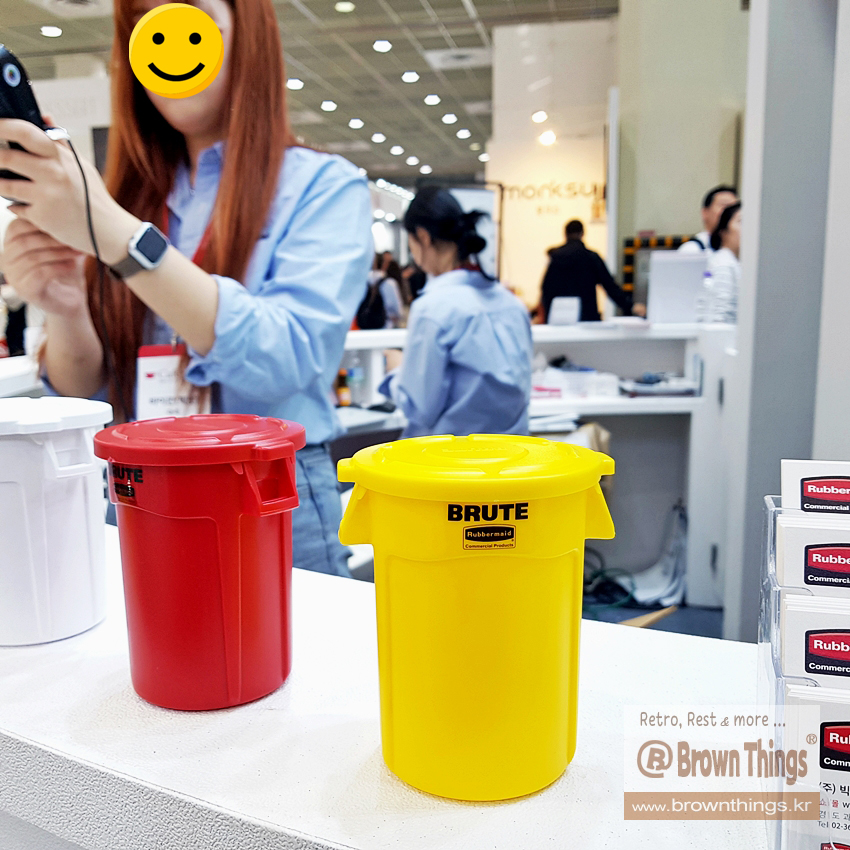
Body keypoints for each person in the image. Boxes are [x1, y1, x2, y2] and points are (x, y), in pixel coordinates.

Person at [0, 0, 373, 577]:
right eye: (146, 28)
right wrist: (68, 308)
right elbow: (88, 390)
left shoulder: (323, 186)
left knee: (283, 638)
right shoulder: (125, 197)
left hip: (267, 494)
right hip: (138, 493)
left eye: (188, 20)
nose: (168, 47)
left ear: (246, 30)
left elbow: (291, 356)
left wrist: (121, 238)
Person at [380, 187, 532, 437]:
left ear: (422, 237)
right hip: (510, 454)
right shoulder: (512, 304)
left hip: (450, 456)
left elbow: (419, 409)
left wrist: (397, 371)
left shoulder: (433, 309)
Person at [540, 219, 641, 322]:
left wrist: (548, 316)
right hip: (587, 316)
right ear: (582, 233)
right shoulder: (591, 257)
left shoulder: (556, 258)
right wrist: (629, 305)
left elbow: (546, 289)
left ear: (565, 234)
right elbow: (609, 286)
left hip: (561, 318)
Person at [700, 202, 742, 323]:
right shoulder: (723, 263)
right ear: (724, 231)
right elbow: (718, 318)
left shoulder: (734, 262)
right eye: (742, 221)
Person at [679, 185, 739, 254]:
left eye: (734, 208)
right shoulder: (692, 249)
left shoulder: (741, 250)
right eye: (725, 206)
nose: (730, 213)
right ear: (705, 212)